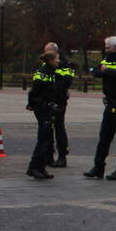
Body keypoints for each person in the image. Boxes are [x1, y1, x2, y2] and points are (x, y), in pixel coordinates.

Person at [84, 36, 116, 181]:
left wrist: (106, 71)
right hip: (110, 103)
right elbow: (95, 71)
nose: (105, 49)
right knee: (104, 137)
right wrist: (106, 71)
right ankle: (98, 167)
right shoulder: (107, 59)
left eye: (108, 47)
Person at [25, 50, 59, 180]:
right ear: (51, 60)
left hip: (48, 108)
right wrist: (32, 104)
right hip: (42, 108)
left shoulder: (51, 72)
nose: (59, 61)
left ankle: (41, 167)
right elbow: (34, 91)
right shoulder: (43, 73)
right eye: (57, 59)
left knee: (48, 139)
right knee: (43, 139)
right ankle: (33, 167)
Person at [43, 42, 76, 168]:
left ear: (55, 52)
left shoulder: (65, 64)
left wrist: (53, 85)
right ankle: (48, 155)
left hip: (59, 99)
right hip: (48, 99)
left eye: (48, 52)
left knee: (59, 127)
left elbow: (67, 80)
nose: (46, 54)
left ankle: (62, 156)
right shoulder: (46, 62)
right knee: (47, 127)